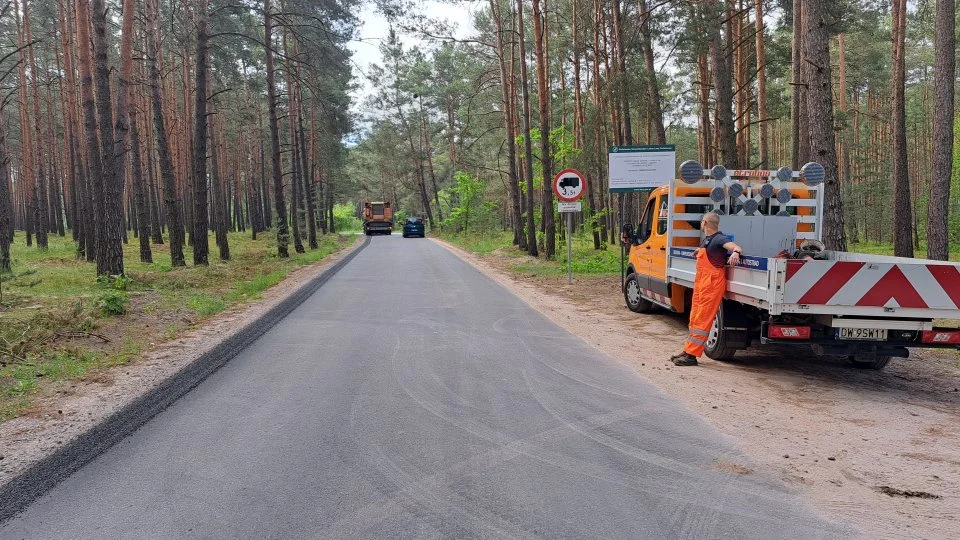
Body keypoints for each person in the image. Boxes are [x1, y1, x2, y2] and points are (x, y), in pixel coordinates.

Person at [670, 212, 743, 366]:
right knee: (695, 318)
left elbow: (734, 246)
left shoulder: (719, 238)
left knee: (702, 321)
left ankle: (691, 356)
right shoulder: (708, 240)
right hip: (702, 285)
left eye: (701, 222)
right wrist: (699, 251)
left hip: (711, 285)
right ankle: (688, 350)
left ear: (705, 223)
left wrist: (736, 252)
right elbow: (710, 253)